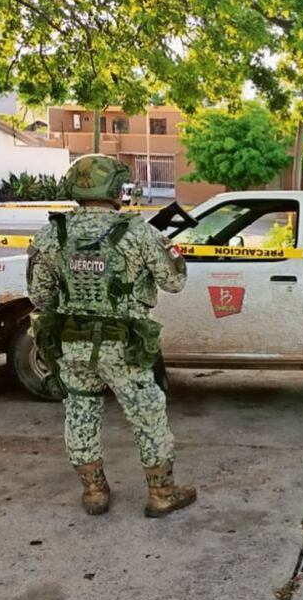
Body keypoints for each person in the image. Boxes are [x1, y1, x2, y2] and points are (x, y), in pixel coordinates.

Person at [26, 154, 195, 518]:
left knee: (80, 411)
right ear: (117, 189)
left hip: (72, 343)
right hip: (125, 346)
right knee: (147, 415)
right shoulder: (139, 232)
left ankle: (94, 492)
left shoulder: (52, 233)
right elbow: (174, 282)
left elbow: (40, 296)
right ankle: (161, 493)